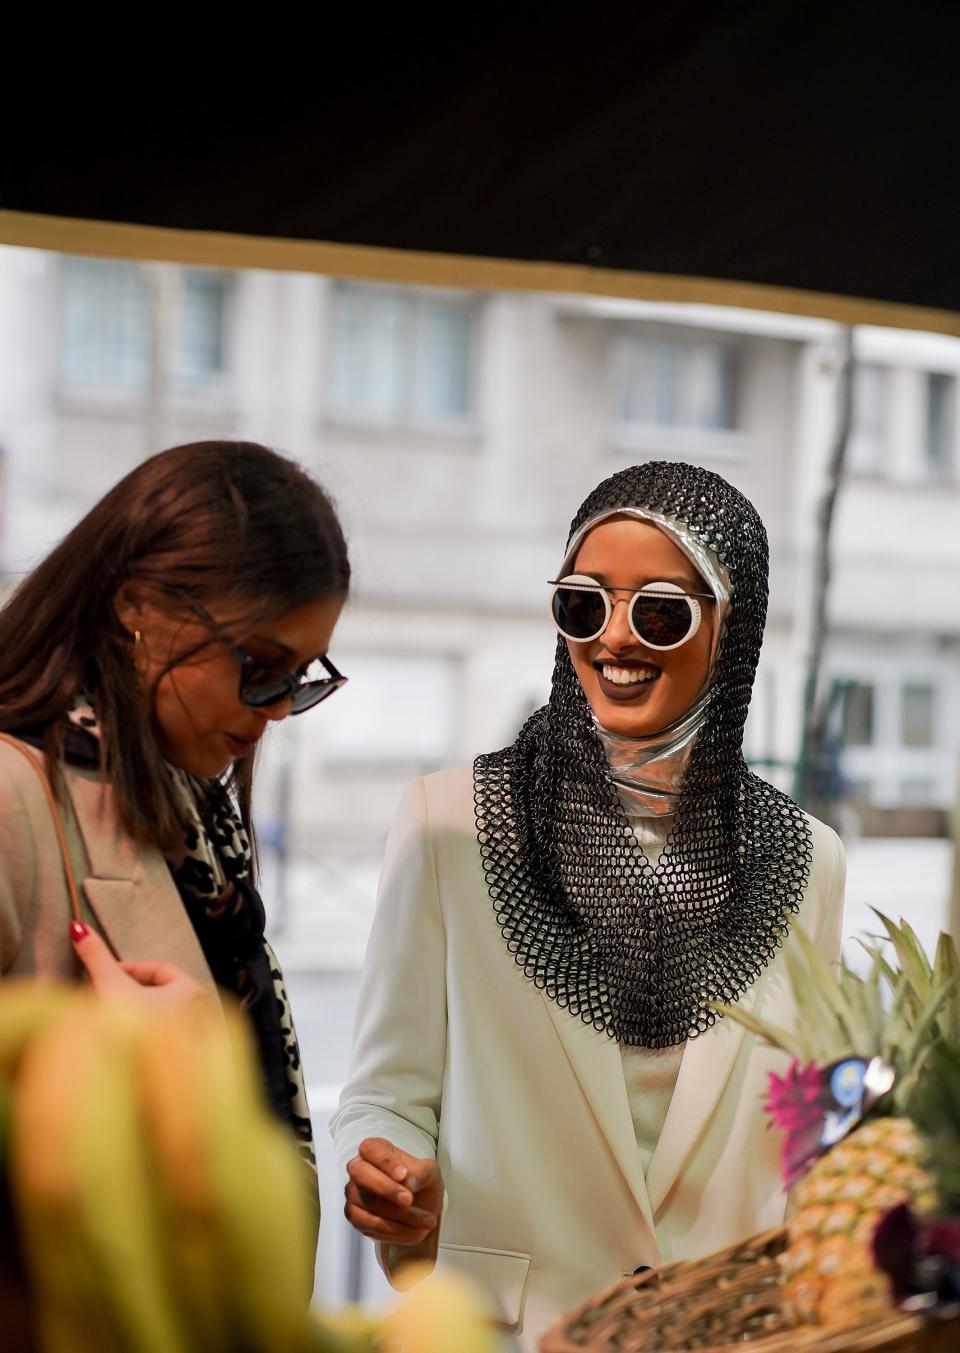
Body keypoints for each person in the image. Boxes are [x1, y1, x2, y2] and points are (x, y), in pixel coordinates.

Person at [332, 461, 846, 1349]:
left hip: (728, 1329)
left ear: (734, 628)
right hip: (511, 1329)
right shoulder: (449, 826)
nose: (615, 638)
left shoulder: (808, 861)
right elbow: (388, 1090)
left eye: (659, 609)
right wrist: (391, 1167)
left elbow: (808, 1128)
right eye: (583, 603)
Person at [0, 439, 350, 1170]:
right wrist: (142, 1072)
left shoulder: (185, 806)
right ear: (138, 608)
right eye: (260, 666)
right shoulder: (13, 798)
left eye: (302, 675)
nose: (281, 709)